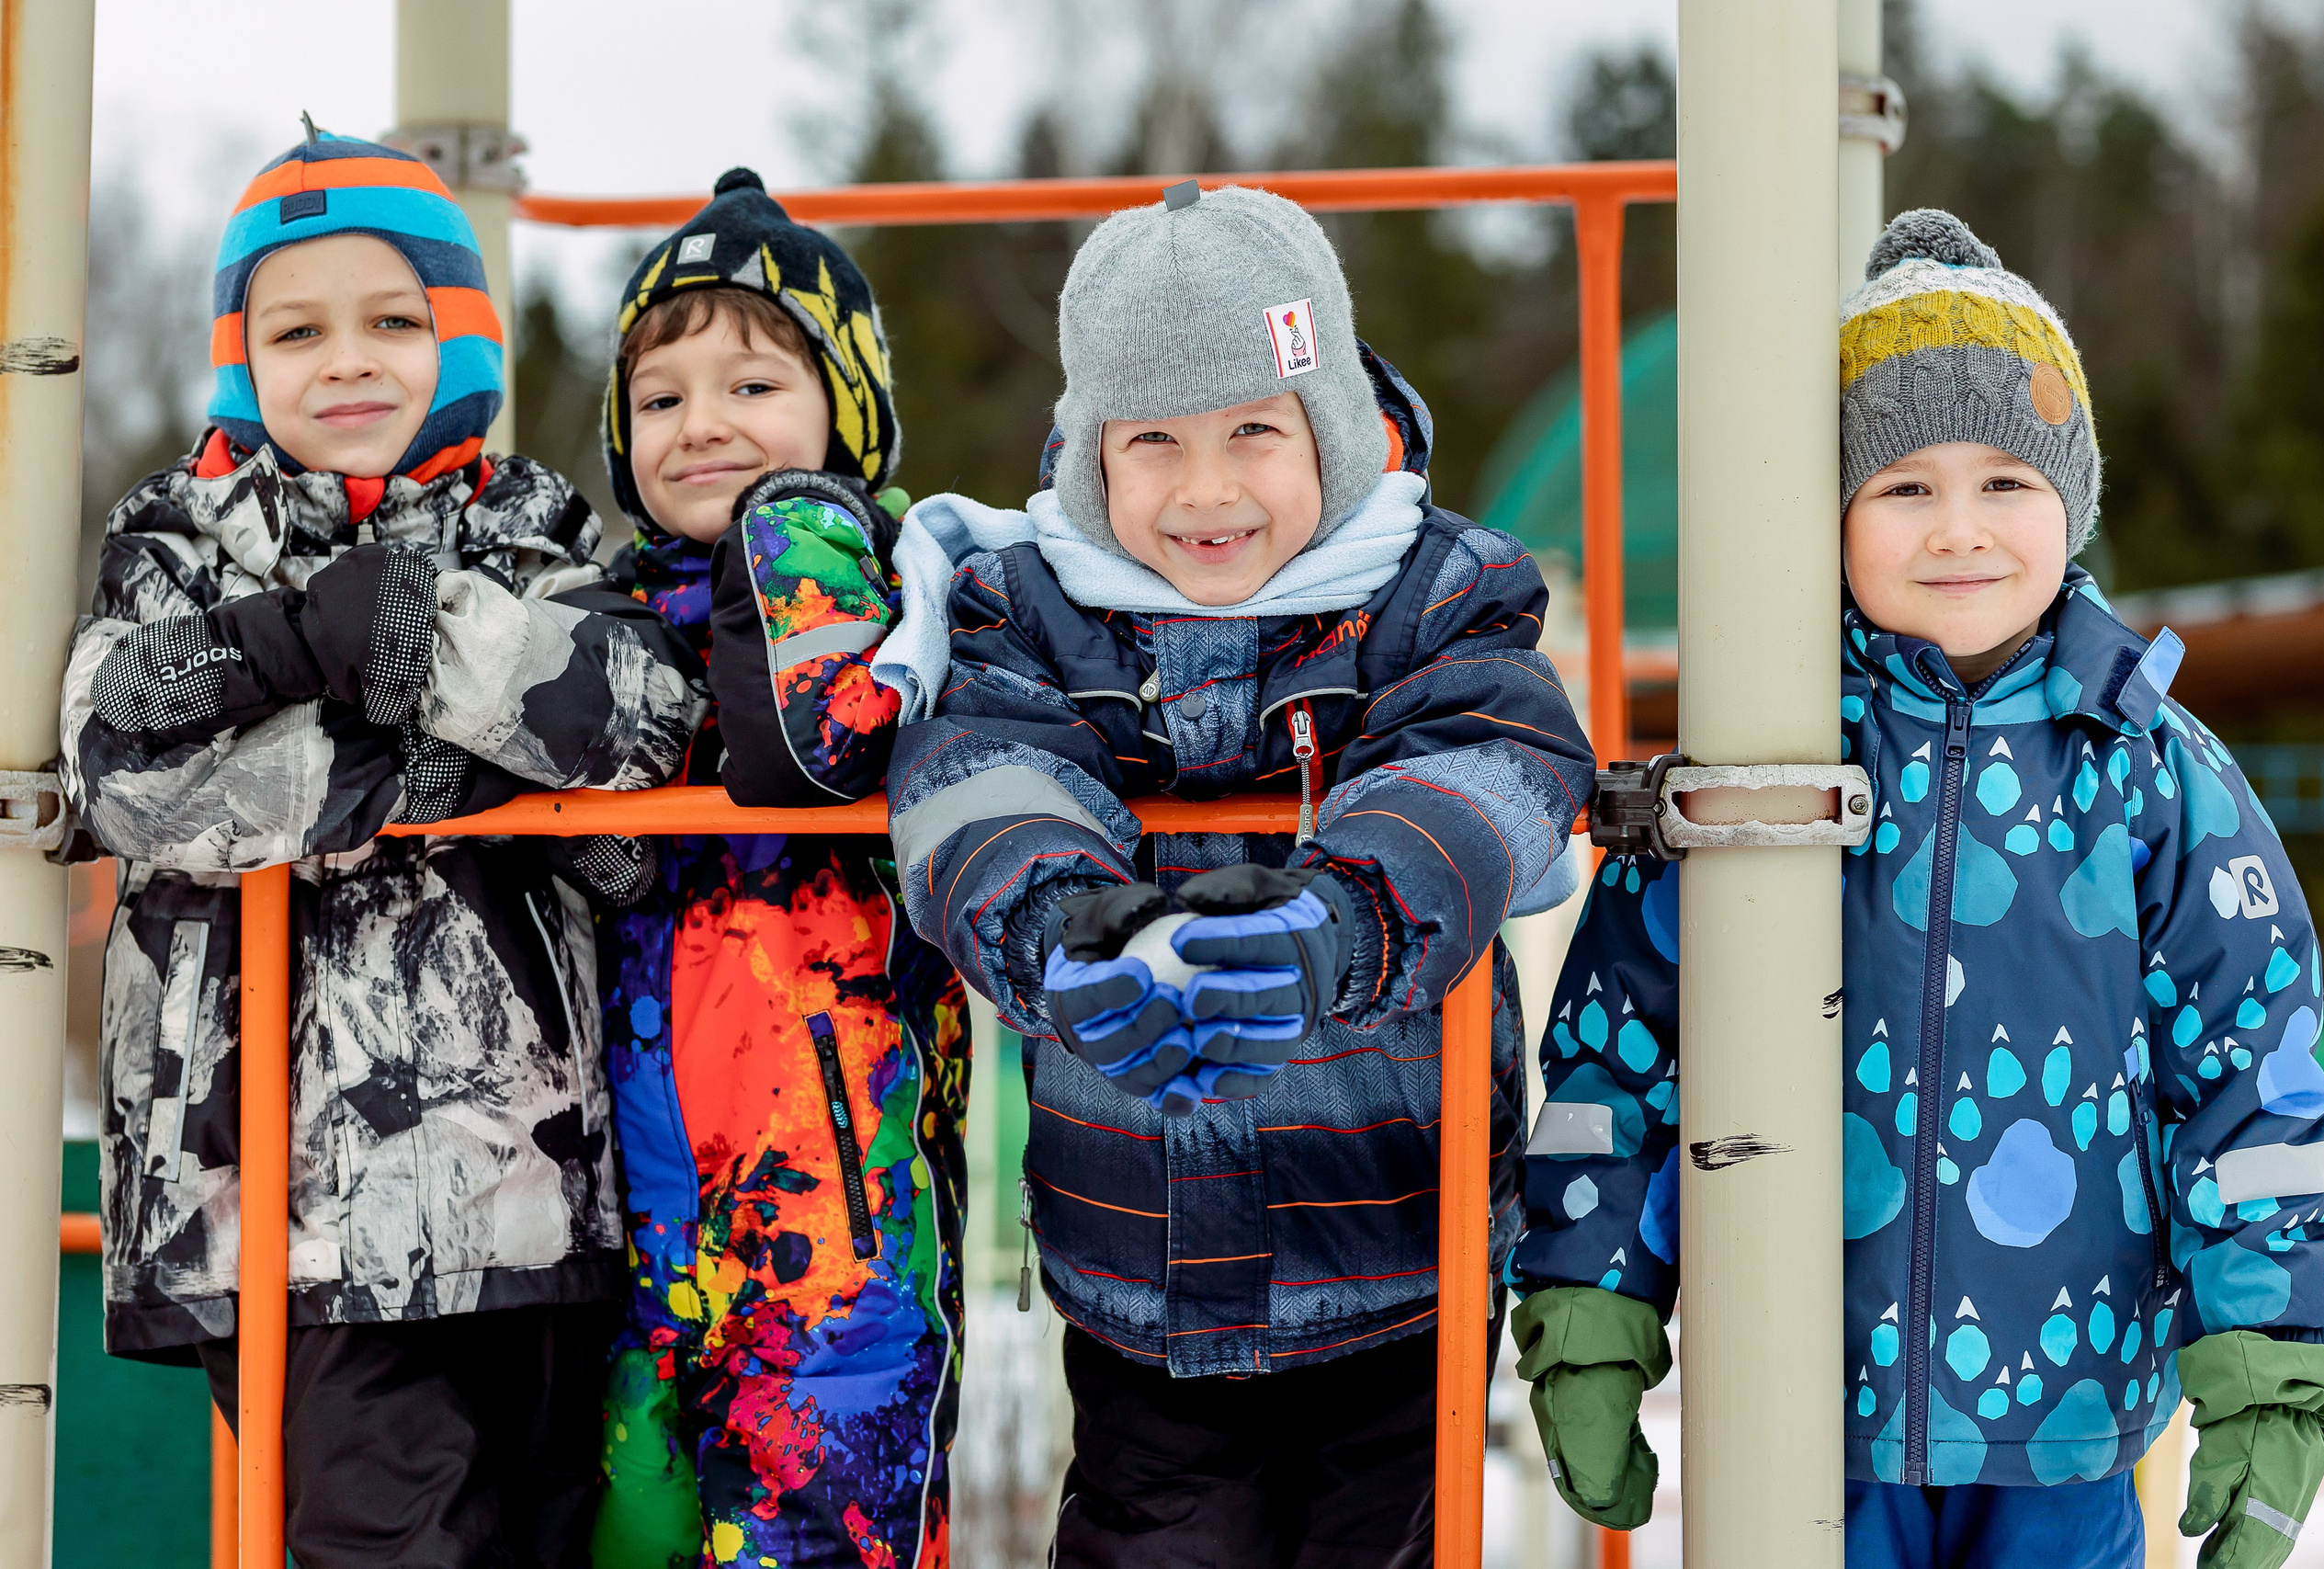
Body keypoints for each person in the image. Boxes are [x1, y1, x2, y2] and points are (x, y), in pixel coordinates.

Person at [1509, 210, 2324, 1569]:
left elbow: (2251, 1073)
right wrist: (1591, 1303)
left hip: (2066, 1425)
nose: (1959, 530)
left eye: (2006, 482)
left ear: (2069, 500)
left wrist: (2271, 1366)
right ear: (1830, 511)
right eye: (1903, 487)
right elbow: (1622, 1050)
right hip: (1798, 1419)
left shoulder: (2149, 772)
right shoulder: (1758, 763)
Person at [879, 181, 1593, 1567]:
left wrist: (1338, 927)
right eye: (1155, 445)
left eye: (1254, 435)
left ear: (1326, 429)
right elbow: (976, 779)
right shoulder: (1029, 609)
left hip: (1393, 1244)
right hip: (1136, 1266)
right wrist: (1065, 934)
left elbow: (1492, 761)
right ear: (1094, 458)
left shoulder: (1436, 595)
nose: (1207, 494)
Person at [57, 131, 706, 1566]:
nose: (347, 360)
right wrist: (314, 655)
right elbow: (128, 767)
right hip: (296, 1211)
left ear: (459, 336)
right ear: (243, 359)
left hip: (530, 1189)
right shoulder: (181, 541)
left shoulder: (528, 524)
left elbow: (640, 715)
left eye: (393, 320)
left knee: (546, 1533)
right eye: (298, 330)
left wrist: (414, 627)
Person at [584, 168, 968, 1569]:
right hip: (634, 1227)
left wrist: (789, 533)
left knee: (816, 1544)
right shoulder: (600, 622)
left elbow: (820, 740)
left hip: (834, 1238)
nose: (703, 428)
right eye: (663, 399)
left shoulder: (887, 596)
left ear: (841, 418)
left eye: (753, 386)